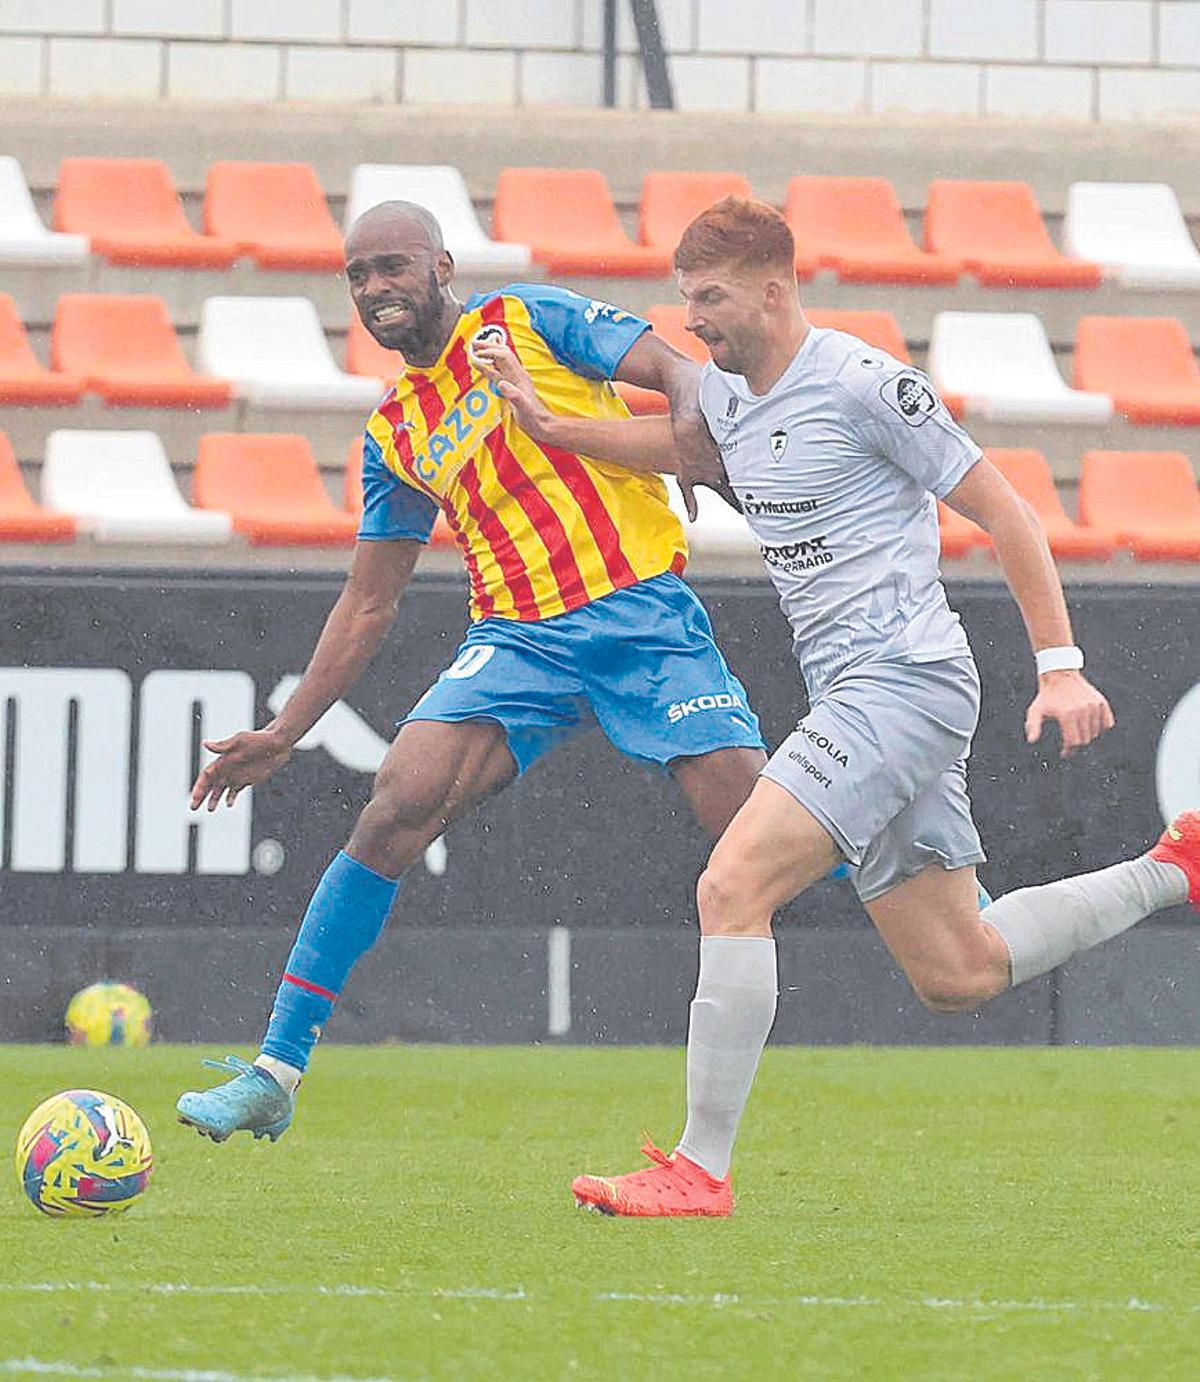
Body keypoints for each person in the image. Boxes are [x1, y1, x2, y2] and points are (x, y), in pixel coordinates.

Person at [470, 196, 1200, 1217]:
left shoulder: (866, 386)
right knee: (960, 966)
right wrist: (544, 422)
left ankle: (701, 1165)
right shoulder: (727, 396)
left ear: (774, 288)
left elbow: (1005, 509)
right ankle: (1174, 867)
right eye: (686, 299)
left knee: (731, 887)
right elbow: (681, 449)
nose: (694, 320)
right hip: (868, 693)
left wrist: (1061, 663)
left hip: (899, 681)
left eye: (711, 296)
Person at [176, 200, 767, 1144]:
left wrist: (692, 426)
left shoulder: (526, 323)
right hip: (518, 639)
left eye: (393, 267)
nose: (376, 290)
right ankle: (276, 1069)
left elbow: (674, 367)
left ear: (441, 266)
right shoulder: (395, 433)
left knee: (760, 833)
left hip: (638, 610)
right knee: (394, 803)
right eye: (359, 276)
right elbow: (369, 602)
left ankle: (951, 898)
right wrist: (286, 733)